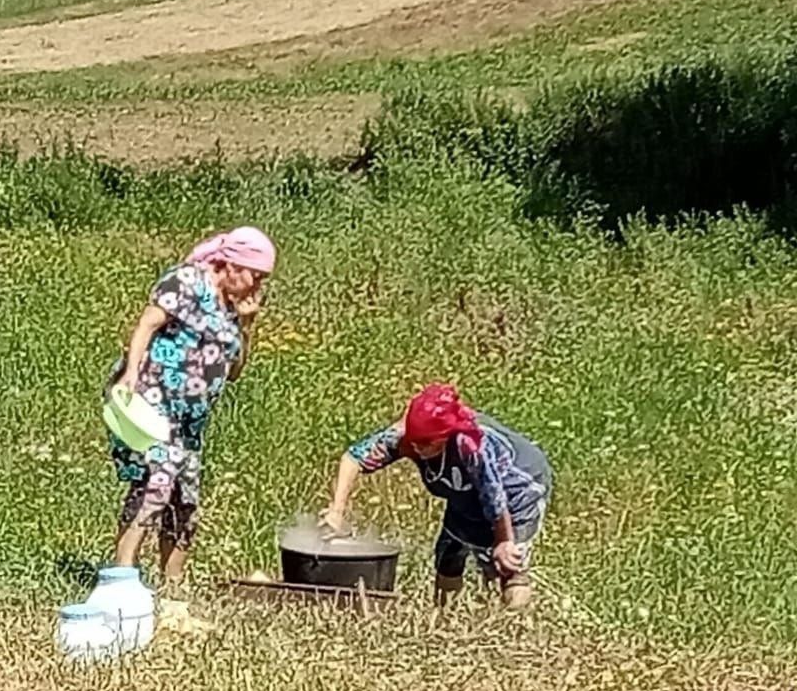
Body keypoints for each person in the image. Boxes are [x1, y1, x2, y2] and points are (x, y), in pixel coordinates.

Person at [106, 227, 276, 592]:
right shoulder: (185, 281)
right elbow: (146, 325)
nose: (257, 287)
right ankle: (121, 578)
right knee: (156, 480)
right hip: (153, 401)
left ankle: (173, 589)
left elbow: (234, 373)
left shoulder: (232, 307)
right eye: (255, 276)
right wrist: (131, 374)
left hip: (189, 421)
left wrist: (247, 326)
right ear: (231, 264)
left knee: (185, 497)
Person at [321, 384, 552, 609]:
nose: (418, 448)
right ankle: (444, 621)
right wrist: (337, 512)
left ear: (445, 437)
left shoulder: (470, 444)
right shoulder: (405, 437)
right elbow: (353, 458)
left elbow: (493, 493)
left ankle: (513, 626)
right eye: (414, 441)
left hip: (518, 489)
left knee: (507, 566)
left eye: (425, 443)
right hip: (467, 492)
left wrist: (503, 541)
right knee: (448, 555)